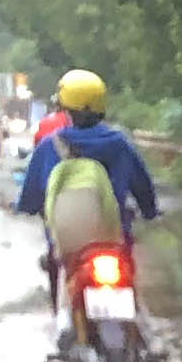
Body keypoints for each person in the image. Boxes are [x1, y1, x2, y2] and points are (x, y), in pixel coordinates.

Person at [13, 70, 155, 298]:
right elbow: (143, 186)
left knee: (55, 264)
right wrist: (150, 211)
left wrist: (24, 206)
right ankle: (133, 321)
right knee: (128, 283)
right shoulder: (119, 144)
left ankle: (62, 318)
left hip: (68, 246)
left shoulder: (50, 146)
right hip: (115, 238)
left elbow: (31, 193)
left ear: (65, 107)